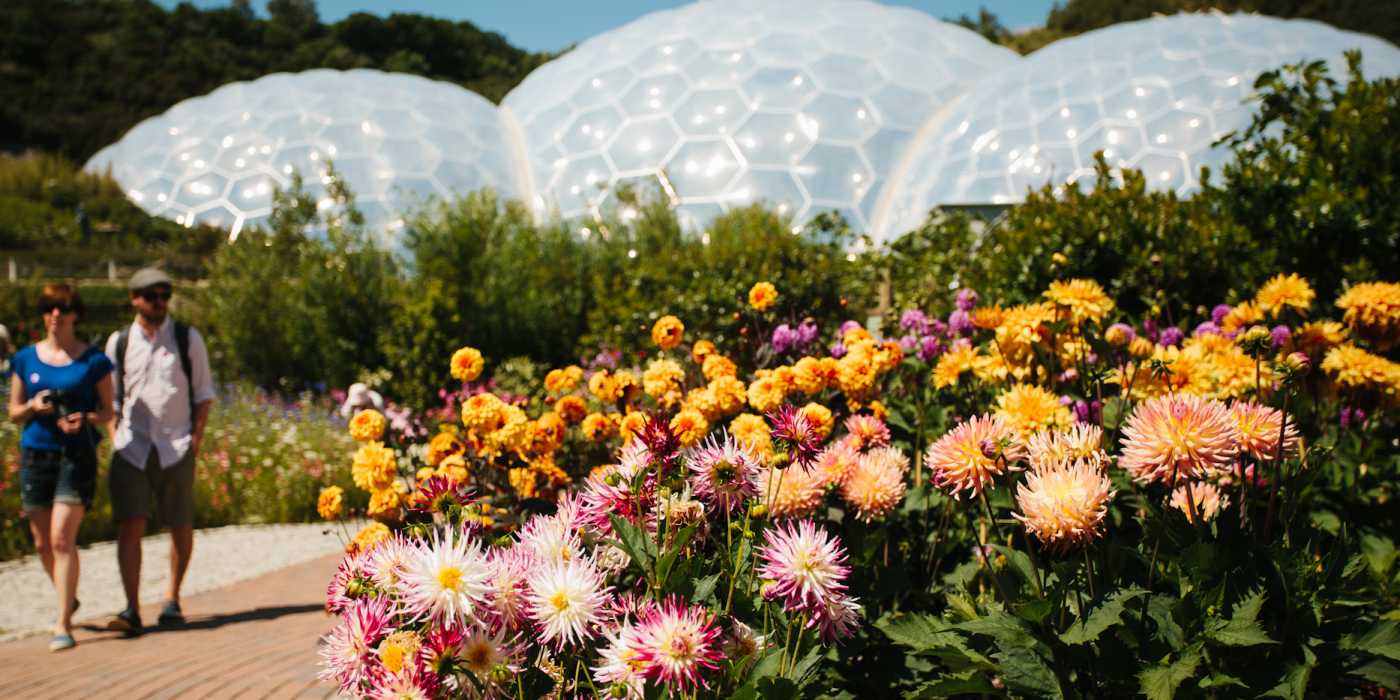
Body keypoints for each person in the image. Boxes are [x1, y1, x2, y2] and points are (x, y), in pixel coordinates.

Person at [104, 268, 214, 635]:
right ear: (135, 299)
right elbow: (110, 398)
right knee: (129, 524)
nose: (159, 303)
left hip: (176, 444)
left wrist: (195, 441)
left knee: (180, 523)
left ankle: (172, 597)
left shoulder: (187, 339)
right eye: (152, 296)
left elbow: (204, 394)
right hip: (131, 445)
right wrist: (112, 434)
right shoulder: (119, 342)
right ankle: (132, 608)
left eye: (165, 296)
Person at [6, 284, 115, 652]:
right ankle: (68, 596)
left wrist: (84, 417)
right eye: (49, 308)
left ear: (75, 315)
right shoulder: (25, 359)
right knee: (42, 543)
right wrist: (34, 407)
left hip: (75, 456)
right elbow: (13, 412)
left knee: (61, 539)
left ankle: (63, 622)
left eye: (63, 308)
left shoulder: (94, 361)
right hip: (37, 455)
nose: (55, 315)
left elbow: (108, 412)